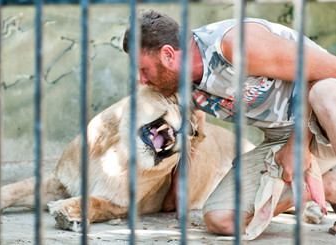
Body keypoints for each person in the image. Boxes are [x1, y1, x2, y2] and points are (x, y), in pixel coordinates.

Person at [123, 9, 336, 238]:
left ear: (168, 55)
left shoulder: (234, 45)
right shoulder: (178, 83)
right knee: (222, 219)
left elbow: (331, 68)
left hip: (324, 115)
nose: (142, 79)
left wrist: (298, 145)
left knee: (324, 92)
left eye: (144, 69)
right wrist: (178, 189)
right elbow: (192, 127)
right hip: (283, 139)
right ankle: (329, 185)